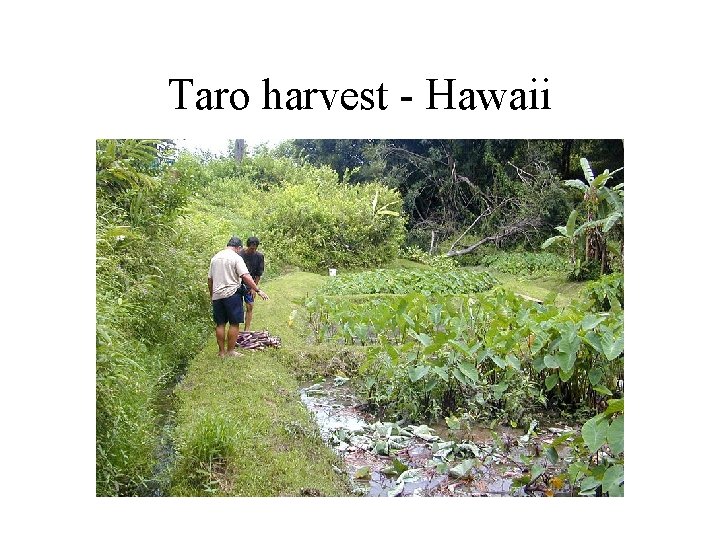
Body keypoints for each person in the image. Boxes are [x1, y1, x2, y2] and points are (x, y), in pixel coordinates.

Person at [208, 236, 269, 357]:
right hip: (232, 294)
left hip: (217, 295)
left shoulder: (215, 258)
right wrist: (257, 290)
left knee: (220, 324)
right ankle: (230, 351)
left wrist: (212, 295)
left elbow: (210, 280)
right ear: (238, 247)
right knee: (234, 323)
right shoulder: (236, 257)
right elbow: (245, 276)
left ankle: (221, 352)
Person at [238, 236, 265, 332]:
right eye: (251, 248)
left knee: (250, 306)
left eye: (255, 248)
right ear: (247, 246)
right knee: (237, 307)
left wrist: (254, 288)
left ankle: (247, 329)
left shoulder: (259, 256)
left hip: (250, 284)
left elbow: (258, 274)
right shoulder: (240, 255)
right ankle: (235, 329)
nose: (253, 250)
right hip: (237, 283)